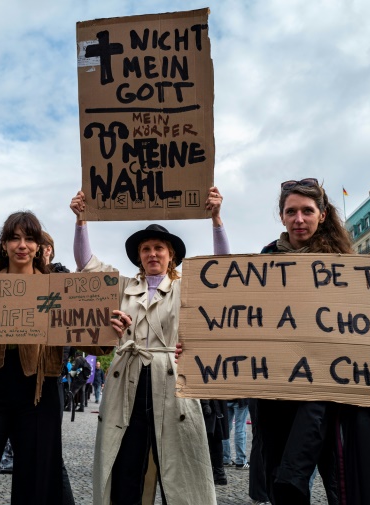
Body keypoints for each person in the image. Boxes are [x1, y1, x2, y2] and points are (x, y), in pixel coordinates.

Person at [257, 178, 370, 505]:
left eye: (307, 211)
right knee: (288, 487)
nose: (299, 219)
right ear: (281, 217)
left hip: (336, 405)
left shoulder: (349, 266)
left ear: (321, 215)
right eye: (291, 211)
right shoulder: (262, 264)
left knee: (344, 487)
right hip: (281, 400)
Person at [71, 187, 227, 504]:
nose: (152, 253)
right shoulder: (125, 286)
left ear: (171, 255)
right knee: (128, 463)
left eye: (159, 248)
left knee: (178, 465)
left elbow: (223, 270)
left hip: (171, 380)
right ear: (139, 256)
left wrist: (216, 219)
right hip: (127, 379)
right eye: (146, 249)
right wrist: (81, 221)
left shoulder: (187, 286)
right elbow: (87, 265)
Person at [0, 211, 106, 505]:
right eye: (14, 238)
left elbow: (89, 337)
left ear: (39, 246)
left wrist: (108, 330)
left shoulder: (56, 288)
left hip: (40, 395)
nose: (22, 245)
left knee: (37, 483)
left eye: (30, 238)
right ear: (3, 245)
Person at [223, 399, 249, 468]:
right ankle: (241, 460)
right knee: (240, 429)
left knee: (225, 429)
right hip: (240, 399)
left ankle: (225, 459)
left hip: (225, 399)